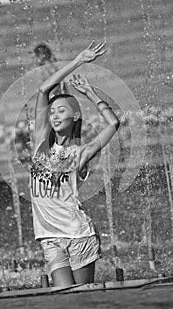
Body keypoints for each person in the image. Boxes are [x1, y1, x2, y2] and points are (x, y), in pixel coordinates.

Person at [30, 41, 120, 287]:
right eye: (53, 112)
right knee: (62, 296)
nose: (55, 115)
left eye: (61, 111)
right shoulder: (40, 142)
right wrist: (78, 60)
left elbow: (113, 124)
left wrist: (90, 94)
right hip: (49, 237)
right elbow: (42, 91)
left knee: (81, 297)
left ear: (75, 116)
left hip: (79, 236)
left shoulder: (80, 153)